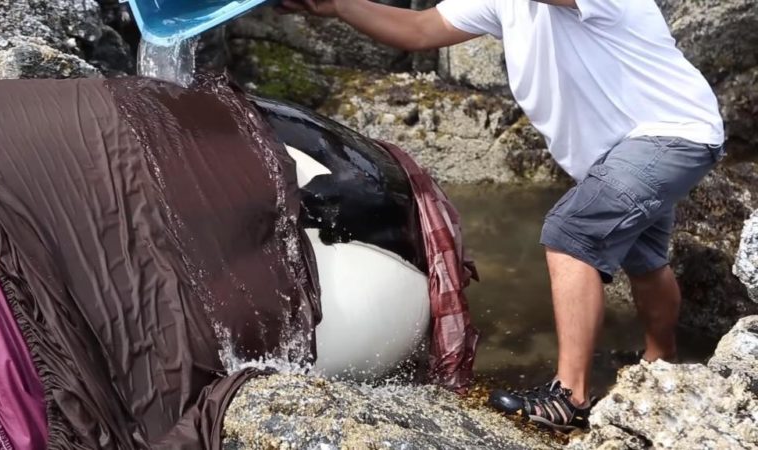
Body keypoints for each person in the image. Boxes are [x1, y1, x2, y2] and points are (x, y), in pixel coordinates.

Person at [278, 0, 726, 431]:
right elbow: (421, 29)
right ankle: (660, 365)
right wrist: (340, 6)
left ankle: (568, 397)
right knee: (644, 260)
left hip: (670, 135)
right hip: (628, 149)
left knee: (572, 232)